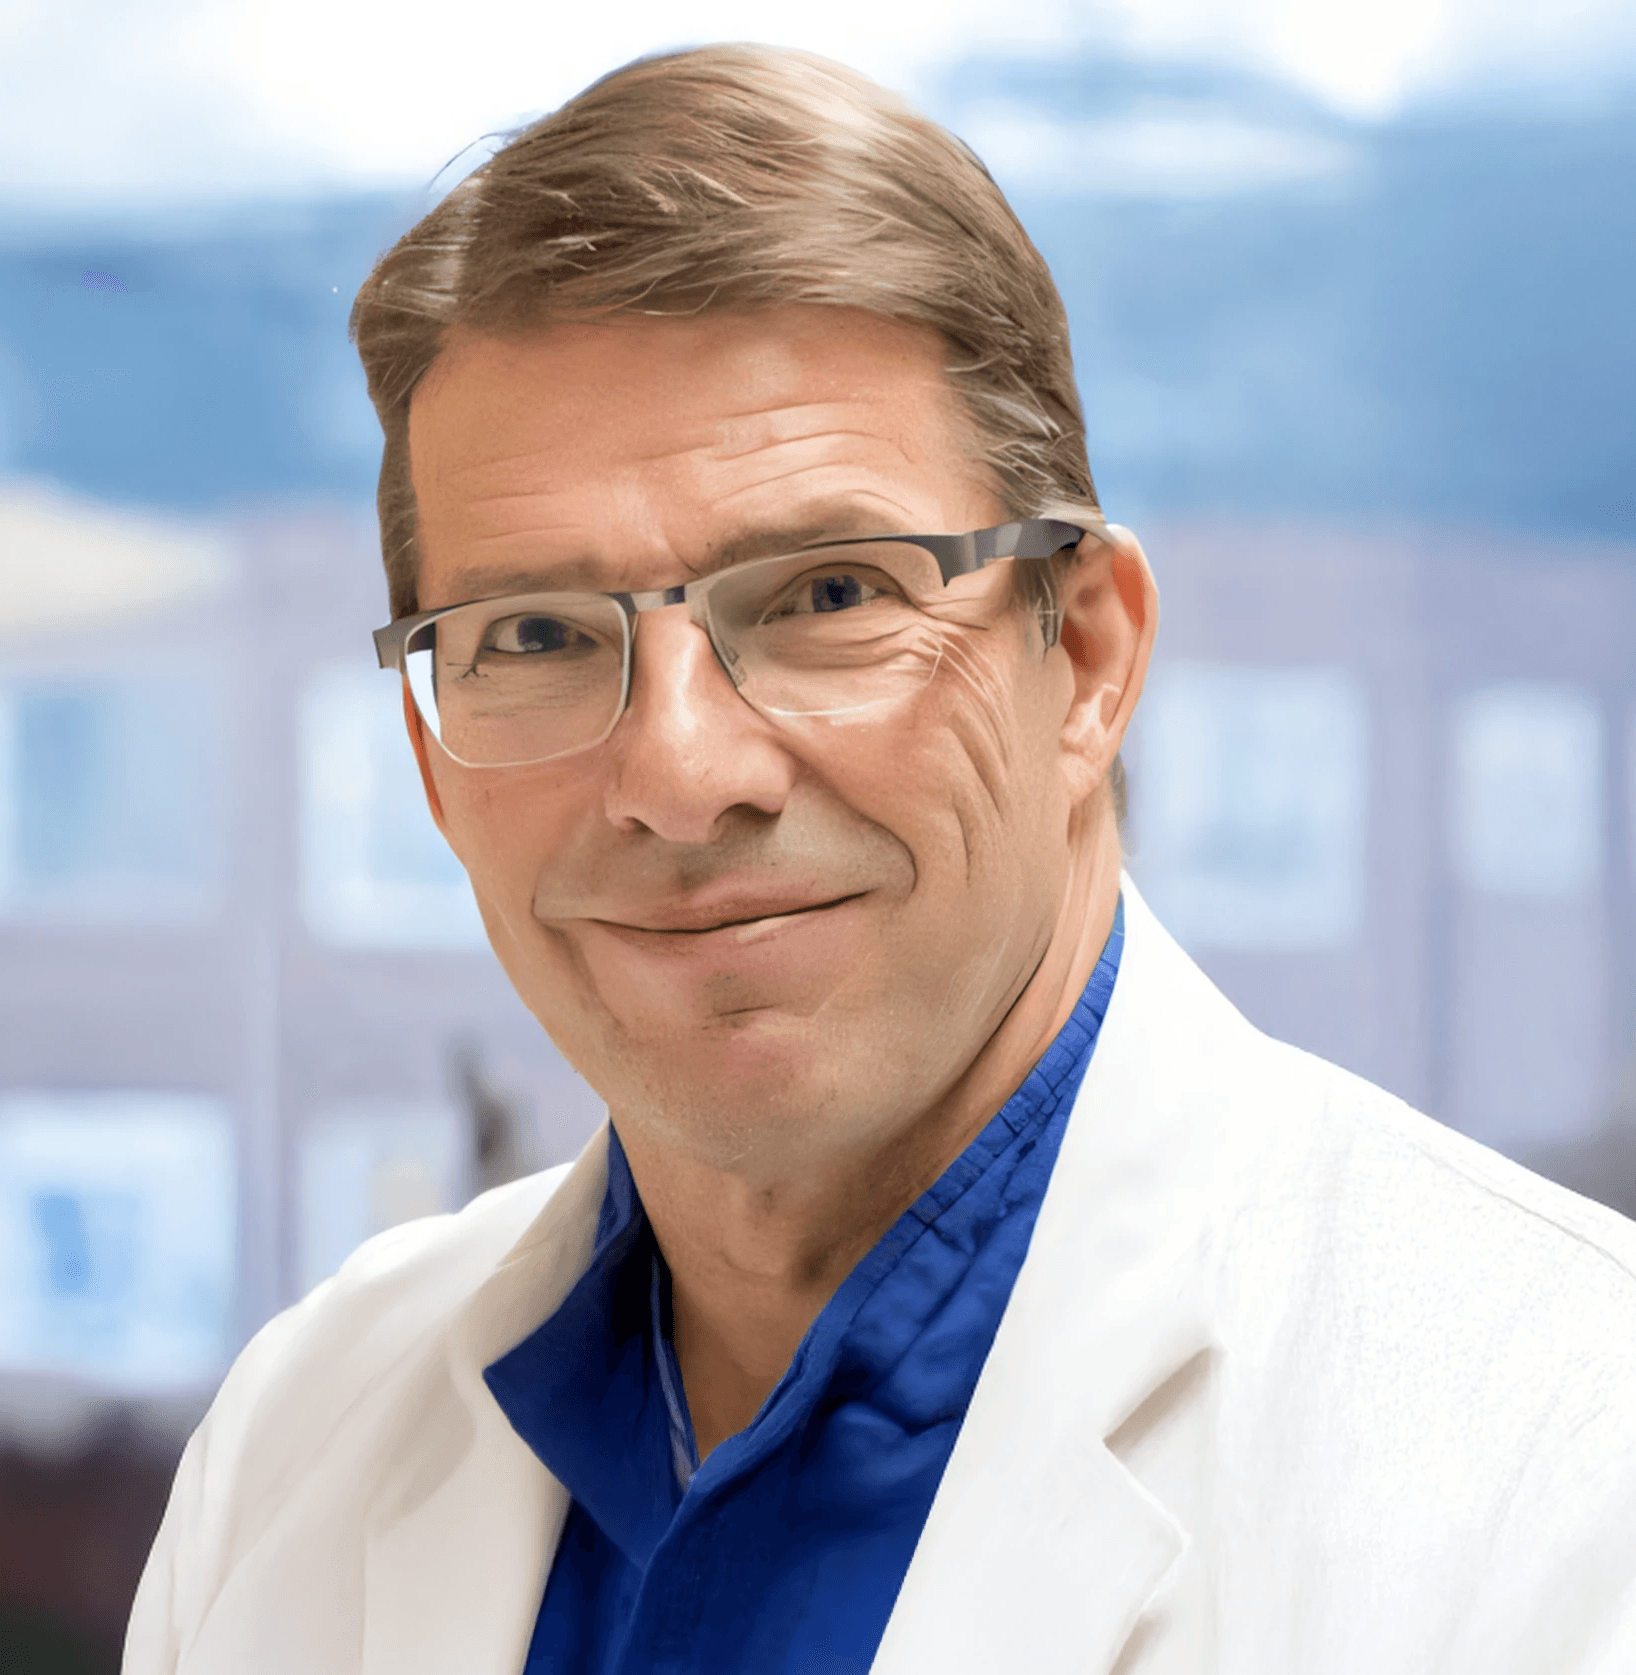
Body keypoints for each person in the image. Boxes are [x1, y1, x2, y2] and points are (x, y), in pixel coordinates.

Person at [124, 45, 1636, 1675]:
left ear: (1090, 658)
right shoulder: (292, 1444)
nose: (681, 778)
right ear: (433, 763)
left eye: (830, 594)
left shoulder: (1567, 1463)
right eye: (539, 634)